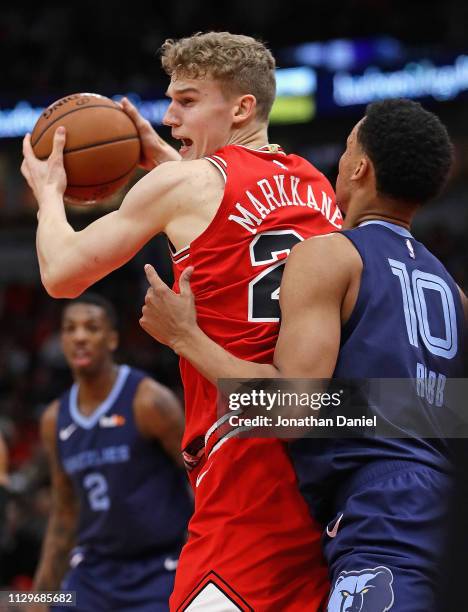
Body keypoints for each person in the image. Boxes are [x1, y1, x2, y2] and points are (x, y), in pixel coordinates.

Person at [21, 31, 341, 610]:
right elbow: (230, 216)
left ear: (241, 107)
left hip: (242, 453)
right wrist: (174, 164)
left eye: (187, 101)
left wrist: (48, 193)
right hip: (326, 443)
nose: (169, 118)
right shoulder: (315, 184)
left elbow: (61, 274)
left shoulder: (181, 185)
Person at [139, 98, 467, 611]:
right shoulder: (453, 291)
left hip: (383, 513)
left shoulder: (331, 253)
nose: (338, 159)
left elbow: (292, 410)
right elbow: (448, 411)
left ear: (358, 168)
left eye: (346, 147)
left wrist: (185, 337)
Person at [33, 293, 192, 611]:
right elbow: (64, 513)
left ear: (112, 339)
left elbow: (201, 481)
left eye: (91, 328)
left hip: (159, 567)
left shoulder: (149, 402)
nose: (79, 337)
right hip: (93, 572)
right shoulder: (54, 419)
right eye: (70, 329)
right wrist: (39, 597)